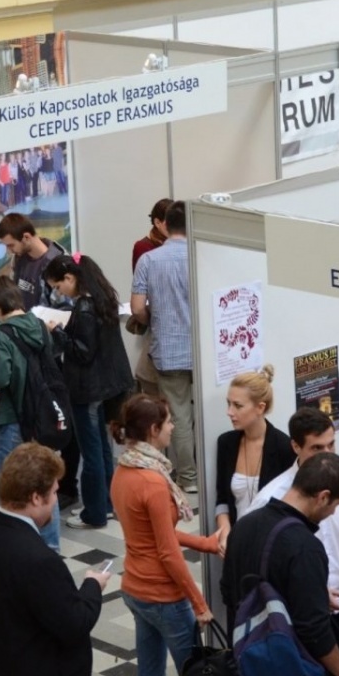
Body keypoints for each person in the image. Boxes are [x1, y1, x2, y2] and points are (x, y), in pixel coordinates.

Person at [0, 442, 109, 676]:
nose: (56, 500)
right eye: (54, 492)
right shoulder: (40, 560)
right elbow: (74, 623)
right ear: (36, 497)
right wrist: (93, 585)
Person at [246, 407, 339, 676]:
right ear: (296, 446)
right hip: (294, 623)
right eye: (317, 448)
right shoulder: (270, 499)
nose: (327, 454)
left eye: (331, 445)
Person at [110, 394, 220, 676]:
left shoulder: (123, 469)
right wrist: (199, 604)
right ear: (153, 429)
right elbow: (167, 552)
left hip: (135, 590)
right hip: (163, 596)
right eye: (169, 422)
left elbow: (153, 536)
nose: (173, 427)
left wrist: (204, 544)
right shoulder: (153, 482)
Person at [223, 452, 339, 676]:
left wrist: (315, 592)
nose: (333, 513)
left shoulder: (243, 525)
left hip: (249, 666)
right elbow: (313, 629)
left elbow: (229, 591)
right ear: (323, 497)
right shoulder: (305, 547)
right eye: (336, 505)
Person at [42, 252, 134, 529]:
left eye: (58, 286)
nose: (59, 292)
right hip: (106, 386)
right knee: (103, 449)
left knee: (91, 453)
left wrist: (57, 331)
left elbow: (82, 352)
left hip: (87, 388)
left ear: (70, 278)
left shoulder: (83, 308)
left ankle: (94, 513)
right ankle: (106, 504)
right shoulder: (103, 298)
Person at [0, 275, 62, 549]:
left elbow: (1, 379)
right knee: (46, 482)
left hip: (14, 416)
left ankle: (18, 547)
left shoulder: (1, 335)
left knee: (12, 487)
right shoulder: (39, 326)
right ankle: (51, 548)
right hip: (43, 416)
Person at [130, 200, 197, 491]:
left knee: (179, 416)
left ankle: (189, 478)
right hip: (205, 351)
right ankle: (210, 471)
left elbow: (136, 308)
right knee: (209, 411)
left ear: (165, 225)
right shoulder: (201, 256)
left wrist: (153, 318)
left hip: (169, 351)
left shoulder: (149, 260)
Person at [214, 366, 295, 548]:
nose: (229, 412)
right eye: (229, 404)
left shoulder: (284, 447)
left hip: (272, 547)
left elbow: (291, 507)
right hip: (236, 544)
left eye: (238, 406)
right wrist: (225, 532)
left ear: (260, 408)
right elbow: (222, 500)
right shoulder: (226, 444)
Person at [131, 198, 173, 397]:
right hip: (157, 318)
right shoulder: (144, 249)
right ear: (157, 222)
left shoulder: (180, 244)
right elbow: (141, 296)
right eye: (169, 223)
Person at [0, 212, 66, 311]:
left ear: (26, 237)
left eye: (11, 245)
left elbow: (63, 308)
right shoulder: (18, 259)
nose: (8, 251)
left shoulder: (57, 263)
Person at [132, 197, 173, 270]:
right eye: (171, 222)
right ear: (157, 222)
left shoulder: (178, 244)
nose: (175, 226)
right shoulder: (142, 247)